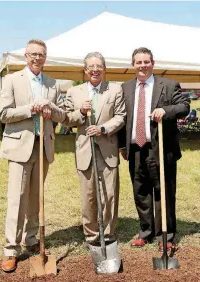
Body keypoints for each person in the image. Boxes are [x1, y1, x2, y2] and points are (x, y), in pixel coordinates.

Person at [0, 39, 66, 272]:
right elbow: (4, 114)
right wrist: (31, 109)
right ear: (26, 56)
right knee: (17, 197)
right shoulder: (11, 80)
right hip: (20, 147)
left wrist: (50, 108)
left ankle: (31, 239)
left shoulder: (53, 83)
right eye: (33, 54)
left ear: (46, 57)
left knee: (36, 197)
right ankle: (11, 249)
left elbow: (62, 115)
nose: (37, 58)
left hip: (43, 146)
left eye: (41, 54)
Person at [118, 47, 190, 250]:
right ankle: (146, 231)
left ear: (153, 63)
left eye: (146, 62)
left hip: (161, 148)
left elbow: (185, 107)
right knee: (140, 191)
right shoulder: (125, 88)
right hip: (135, 149)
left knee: (164, 191)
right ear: (133, 65)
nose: (143, 66)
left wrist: (165, 110)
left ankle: (165, 235)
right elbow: (122, 119)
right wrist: (123, 146)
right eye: (138, 62)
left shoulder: (168, 85)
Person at [63, 52, 126, 246]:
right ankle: (91, 235)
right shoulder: (75, 92)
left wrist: (103, 129)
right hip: (85, 150)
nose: (95, 70)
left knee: (110, 194)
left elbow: (121, 116)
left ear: (105, 69)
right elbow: (67, 119)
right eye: (91, 66)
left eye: (99, 66)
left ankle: (108, 233)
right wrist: (80, 112)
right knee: (88, 194)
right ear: (85, 70)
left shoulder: (115, 89)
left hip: (107, 149)